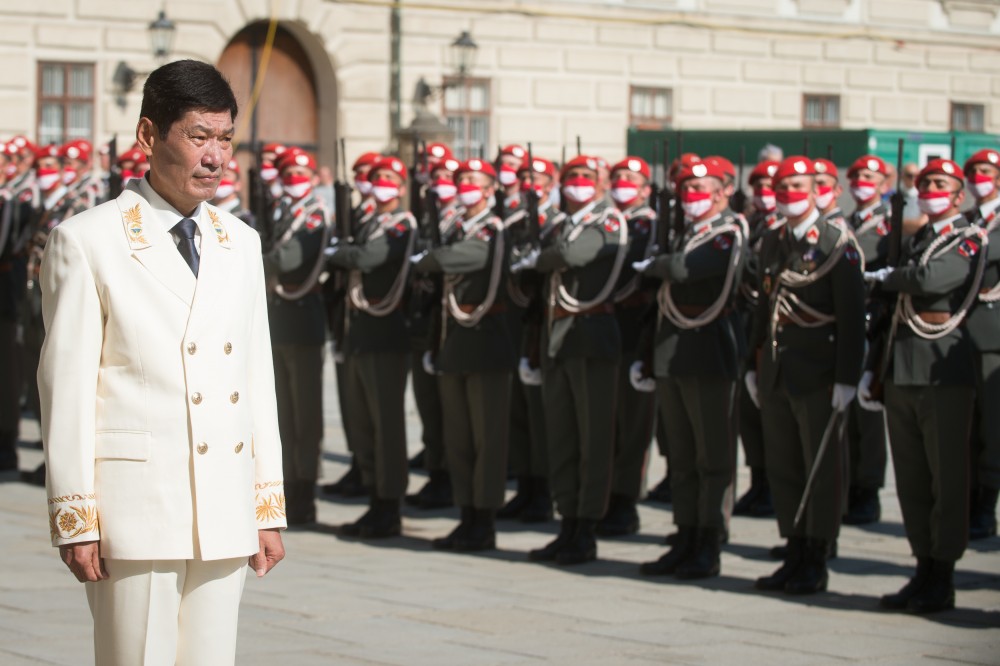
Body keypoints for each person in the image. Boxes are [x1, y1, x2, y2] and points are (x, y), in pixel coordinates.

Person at [37, 59, 286, 665]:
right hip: (137, 505)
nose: (216, 157)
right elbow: (66, 386)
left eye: (225, 139)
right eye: (198, 137)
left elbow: (256, 377)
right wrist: (77, 516)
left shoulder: (241, 242)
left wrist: (266, 505)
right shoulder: (89, 239)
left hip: (224, 503)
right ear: (150, 136)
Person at [861, 158, 986, 613]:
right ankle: (922, 566)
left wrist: (890, 278)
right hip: (903, 368)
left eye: (940, 183)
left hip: (942, 372)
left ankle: (944, 573)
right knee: (913, 479)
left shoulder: (969, 239)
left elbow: (934, 280)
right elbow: (896, 305)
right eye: (925, 181)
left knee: (946, 477)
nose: (929, 188)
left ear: (959, 196)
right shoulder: (918, 239)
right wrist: (874, 370)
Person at [748, 155, 865, 596]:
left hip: (819, 369)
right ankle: (793, 547)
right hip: (778, 368)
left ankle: (816, 555)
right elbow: (765, 305)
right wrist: (751, 363)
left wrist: (847, 377)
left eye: (799, 184)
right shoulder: (775, 239)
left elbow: (852, 315)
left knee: (819, 467)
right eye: (783, 185)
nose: (790, 192)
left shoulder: (837, 242)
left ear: (817, 190)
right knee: (784, 465)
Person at [635, 158, 746, 578]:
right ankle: (685, 533)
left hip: (709, 350)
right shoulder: (687, 232)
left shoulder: (727, 234)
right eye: (687, 193)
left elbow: (683, 269)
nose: (692, 199)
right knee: (681, 453)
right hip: (673, 350)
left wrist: (658, 266)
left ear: (722, 195)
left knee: (712, 454)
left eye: (701, 192)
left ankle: (709, 540)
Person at [522, 155, 629, 565]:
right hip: (557, 338)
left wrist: (541, 255)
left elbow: (570, 256)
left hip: (590, 337)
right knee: (562, 437)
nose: (578, 184)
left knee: (593, 439)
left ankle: (587, 527)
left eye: (586, 178)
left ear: (601, 183)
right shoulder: (561, 224)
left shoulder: (608, 221)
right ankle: (567, 520)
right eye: (572, 178)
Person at [415, 158, 515, 551]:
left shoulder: (493, 228)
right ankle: (466, 513)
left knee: (487, 439)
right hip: (454, 341)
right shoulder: (457, 225)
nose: (466, 187)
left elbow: (450, 258)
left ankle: (484, 519)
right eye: (463, 181)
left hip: (487, 343)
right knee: (458, 437)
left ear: (490, 190)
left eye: (474, 181)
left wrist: (432, 260)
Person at [326, 156, 415, 539]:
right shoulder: (369, 221)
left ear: (401, 186)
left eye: (389, 179)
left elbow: (367, 257)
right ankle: (375, 499)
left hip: (386, 334)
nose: (380, 185)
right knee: (365, 423)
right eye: (376, 179)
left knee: (387, 426)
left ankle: (389, 505)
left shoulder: (401, 224)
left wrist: (340, 254)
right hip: (362, 332)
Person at [262, 147, 332, 525]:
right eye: (288, 174)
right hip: (279, 318)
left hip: (304, 319)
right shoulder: (282, 212)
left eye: (300, 173)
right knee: (283, 413)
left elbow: (287, 259)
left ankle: (305, 490)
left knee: (306, 414)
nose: (294, 179)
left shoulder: (315, 214)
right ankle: (286, 484)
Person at [600, 156, 657, 537]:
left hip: (635, 333)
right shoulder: (606, 222)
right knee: (609, 423)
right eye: (617, 177)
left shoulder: (648, 225)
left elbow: (637, 276)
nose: (622, 183)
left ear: (646, 188)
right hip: (607, 332)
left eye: (631, 178)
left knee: (634, 424)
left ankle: (626, 499)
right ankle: (608, 495)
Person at [843, 155, 893, 525]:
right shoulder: (844, 223)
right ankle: (847, 484)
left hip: (872, 321)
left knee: (868, 412)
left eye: (869, 176)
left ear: (884, 182)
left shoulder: (891, 225)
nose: (862, 181)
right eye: (857, 176)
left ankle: (869, 488)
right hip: (844, 322)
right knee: (844, 411)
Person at [963, 148, 1000, 540]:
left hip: (993, 333)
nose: (978, 177)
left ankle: (987, 503)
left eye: (985, 171)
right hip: (961, 334)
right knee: (967, 425)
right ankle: (971, 495)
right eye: (973, 171)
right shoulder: (970, 220)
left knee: (992, 425)